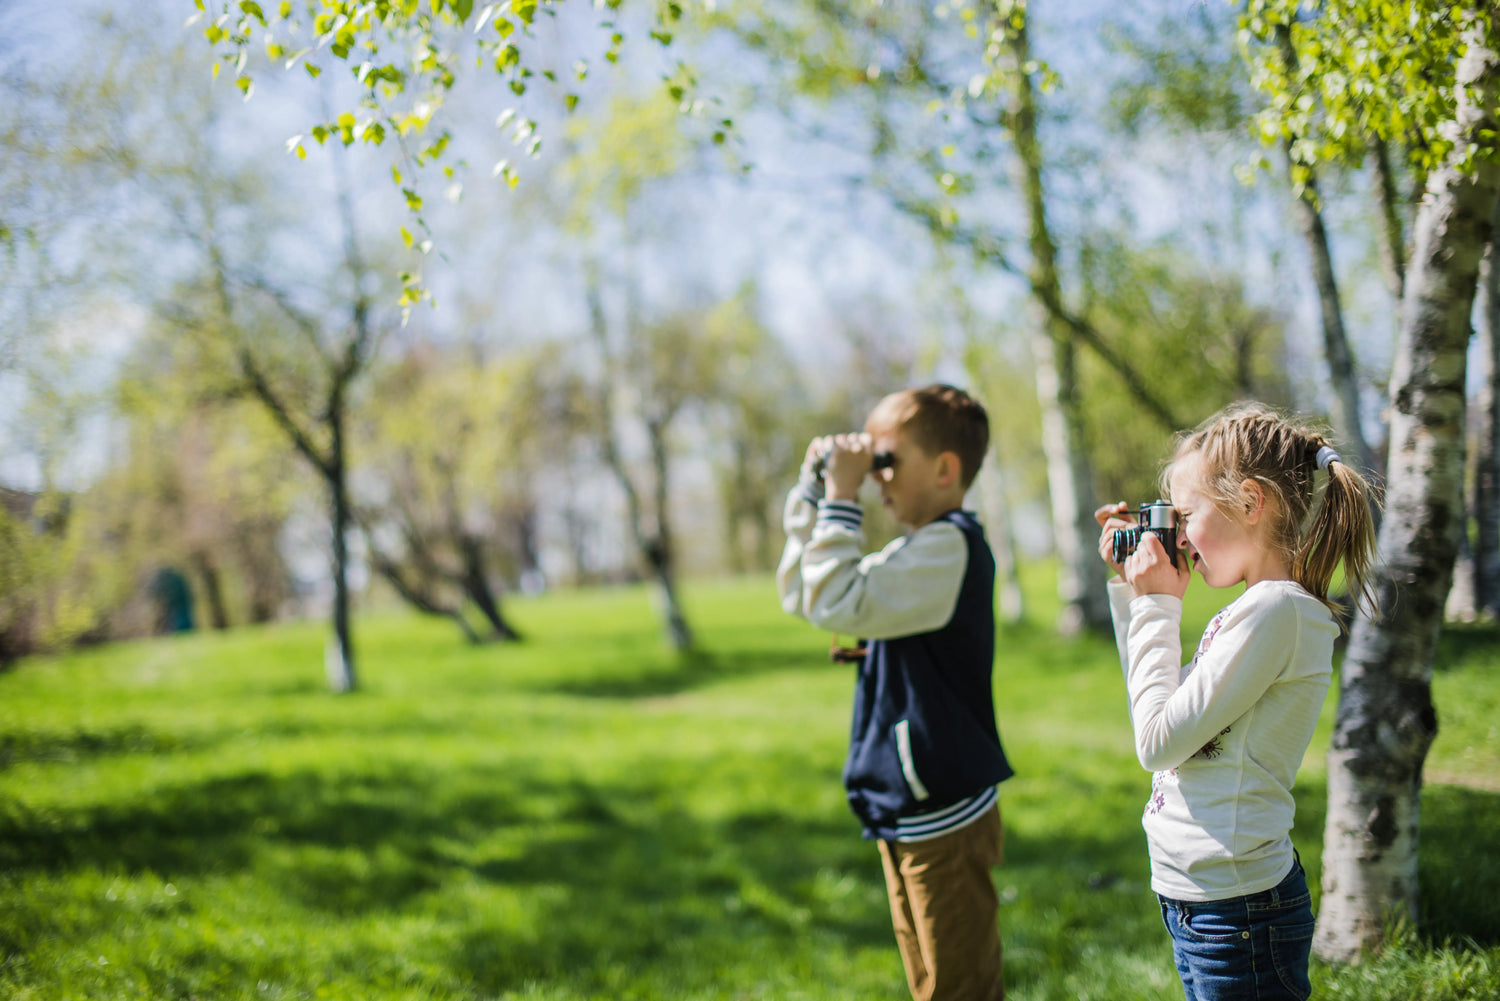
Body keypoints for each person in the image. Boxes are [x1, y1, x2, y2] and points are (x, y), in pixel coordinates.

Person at [1094, 402, 1377, 1001]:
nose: (1179, 535)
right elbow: (1157, 708)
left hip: (1238, 912)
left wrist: (1155, 603)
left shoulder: (1277, 612)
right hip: (1202, 900)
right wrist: (1133, 590)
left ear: (1250, 502)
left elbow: (1156, 743)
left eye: (1186, 514)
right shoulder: (1255, 611)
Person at [778, 384, 1013, 1001]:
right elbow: (808, 592)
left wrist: (840, 497)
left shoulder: (950, 547)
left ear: (944, 469)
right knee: (929, 982)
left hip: (943, 809)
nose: (875, 478)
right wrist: (815, 492)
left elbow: (835, 595)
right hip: (909, 803)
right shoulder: (916, 551)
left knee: (959, 989)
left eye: (887, 461)